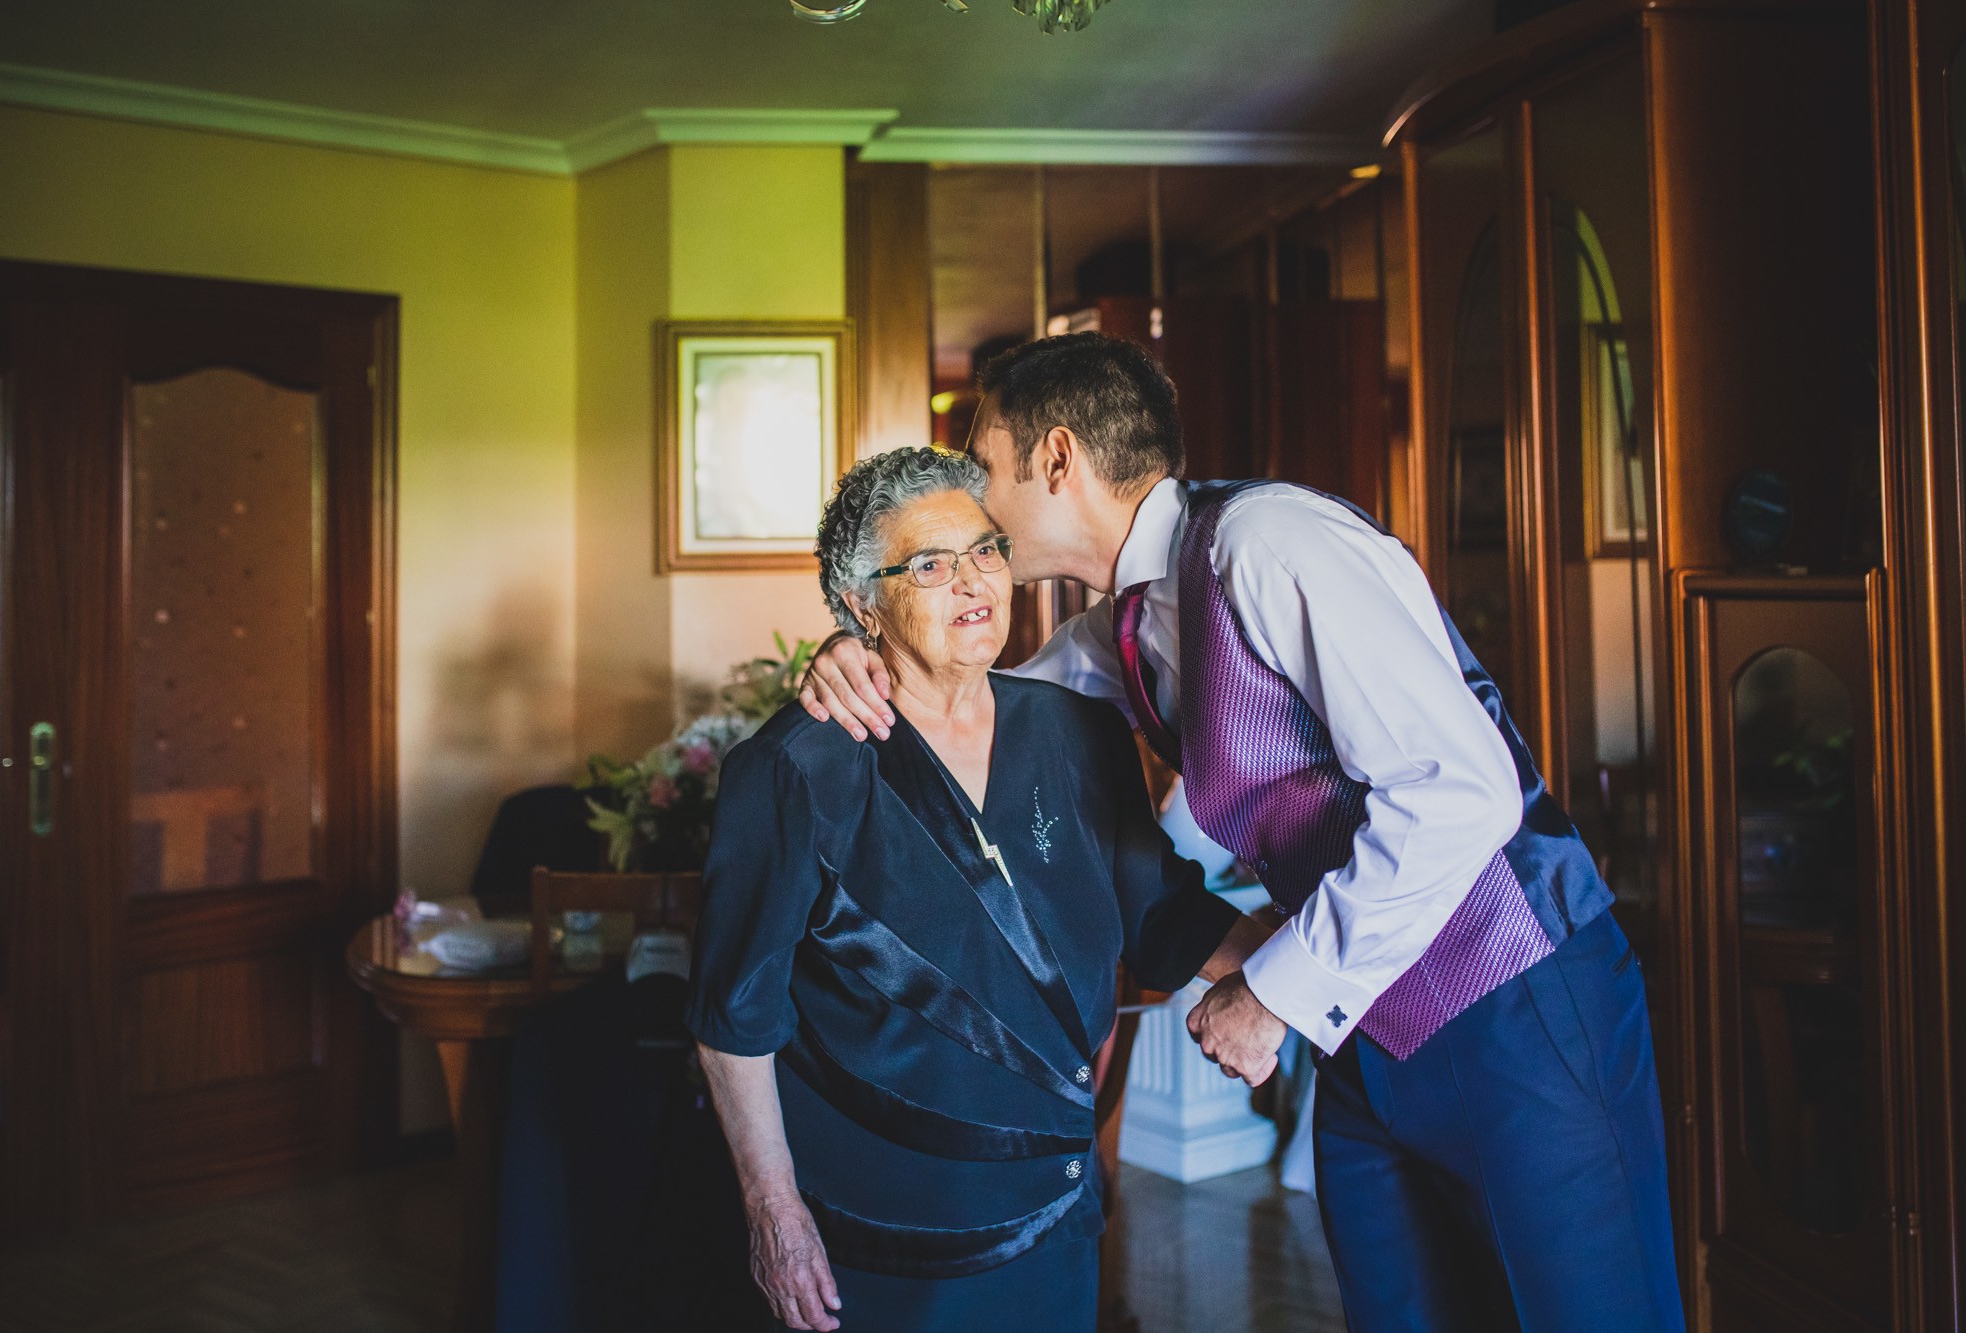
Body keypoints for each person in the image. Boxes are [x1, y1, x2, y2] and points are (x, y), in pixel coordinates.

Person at [799, 332, 1686, 1332]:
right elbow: (973, 715)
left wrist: (1271, 993)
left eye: (981, 464)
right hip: (1364, 1038)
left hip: (1517, 1000)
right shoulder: (1125, 624)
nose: (971, 499)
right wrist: (859, 652)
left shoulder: (1269, 542)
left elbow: (1460, 790)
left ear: (1055, 459)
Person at [687, 446, 1270, 1332]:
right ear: (862, 606)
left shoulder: (1079, 730)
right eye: (930, 564)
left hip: (1057, 1209)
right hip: (885, 1240)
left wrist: (1301, 975)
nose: (974, 581)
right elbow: (734, 1018)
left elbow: (1163, 914)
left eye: (987, 550)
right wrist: (775, 1214)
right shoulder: (795, 768)